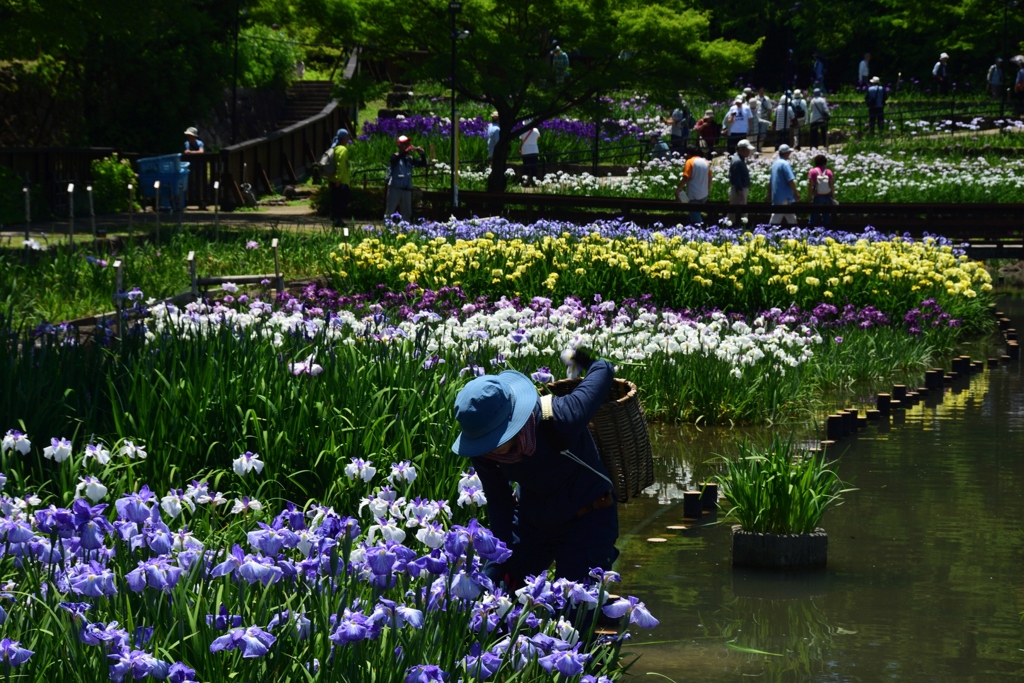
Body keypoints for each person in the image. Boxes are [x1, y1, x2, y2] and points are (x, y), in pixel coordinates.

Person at [451, 349, 619, 587]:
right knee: (502, 588)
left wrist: (584, 360)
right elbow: (500, 505)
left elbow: (604, 370)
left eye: (495, 439)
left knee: (574, 605)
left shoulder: (563, 418)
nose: (490, 448)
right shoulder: (484, 452)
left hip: (588, 517)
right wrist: (497, 561)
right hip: (535, 518)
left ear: (513, 422)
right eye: (483, 441)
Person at [385, 135, 427, 221]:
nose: (408, 145)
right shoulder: (395, 156)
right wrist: (404, 152)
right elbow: (394, 161)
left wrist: (422, 154)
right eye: (405, 143)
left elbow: (423, 163)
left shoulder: (409, 159)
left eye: (408, 143)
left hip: (406, 189)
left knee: (407, 214)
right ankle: (387, 230)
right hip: (395, 188)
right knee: (389, 212)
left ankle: (405, 231)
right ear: (399, 145)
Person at [676, 147, 711, 225]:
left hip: (693, 195)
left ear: (689, 154)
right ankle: (688, 227)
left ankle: (701, 231)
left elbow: (685, 178)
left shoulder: (690, 162)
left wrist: (678, 189)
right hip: (704, 195)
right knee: (693, 213)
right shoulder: (706, 162)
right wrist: (708, 191)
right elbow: (709, 178)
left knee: (694, 214)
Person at [768, 144, 800, 226]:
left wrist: (769, 193)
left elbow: (771, 181)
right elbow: (790, 180)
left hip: (776, 195)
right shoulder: (785, 164)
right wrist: (796, 193)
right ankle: (769, 233)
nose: (789, 154)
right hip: (784, 196)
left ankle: (797, 232)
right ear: (786, 153)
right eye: (789, 152)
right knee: (776, 217)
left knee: (790, 216)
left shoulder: (775, 164)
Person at [325, 129, 351, 227]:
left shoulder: (334, 148)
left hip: (332, 179)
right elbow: (341, 166)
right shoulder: (343, 149)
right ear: (344, 138)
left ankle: (335, 218)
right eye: (347, 137)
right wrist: (338, 179)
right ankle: (337, 218)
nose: (348, 139)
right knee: (344, 199)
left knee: (336, 200)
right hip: (341, 181)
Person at [727, 138, 754, 223]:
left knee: (736, 212)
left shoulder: (739, 159)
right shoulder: (737, 161)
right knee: (735, 213)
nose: (749, 152)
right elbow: (737, 178)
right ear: (741, 150)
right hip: (738, 191)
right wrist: (740, 192)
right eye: (747, 150)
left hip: (739, 190)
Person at [808, 153, 834, 227]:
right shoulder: (829, 171)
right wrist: (833, 196)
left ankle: (810, 231)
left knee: (814, 215)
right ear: (825, 162)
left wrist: (809, 197)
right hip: (827, 196)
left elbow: (810, 185)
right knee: (826, 216)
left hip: (817, 196)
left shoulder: (812, 171)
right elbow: (831, 185)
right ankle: (827, 232)